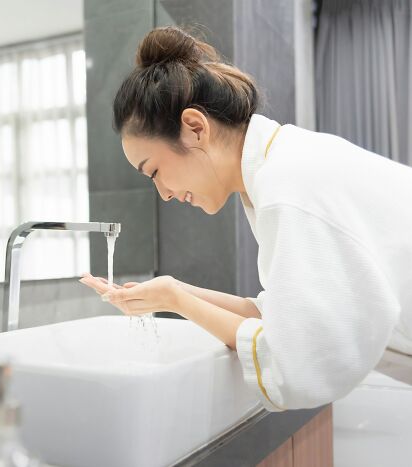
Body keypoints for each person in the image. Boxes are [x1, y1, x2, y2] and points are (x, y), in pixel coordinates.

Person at [79, 26, 412, 412]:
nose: (164, 192)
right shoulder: (282, 164)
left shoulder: (286, 187)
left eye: (154, 171)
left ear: (195, 128)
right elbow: (283, 317)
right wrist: (173, 291)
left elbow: (293, 361)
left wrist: (178, 301)